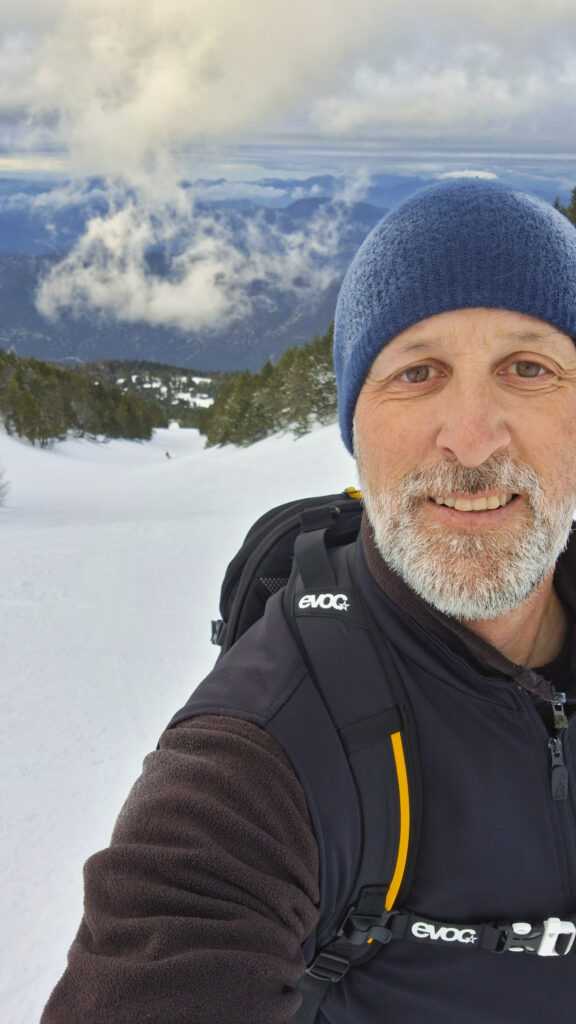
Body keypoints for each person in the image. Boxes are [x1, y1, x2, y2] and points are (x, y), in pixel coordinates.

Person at [42, 178, 576, 1023]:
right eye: (417, 372)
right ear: (354, 428)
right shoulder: (261, 754)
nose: (473, 439)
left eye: (529, 368)